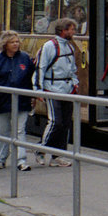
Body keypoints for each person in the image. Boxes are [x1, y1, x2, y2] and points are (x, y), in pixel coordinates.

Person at [0, 30, 35, 171]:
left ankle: (21, 160)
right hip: (2, 101)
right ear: (5, 44)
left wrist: (34, 94)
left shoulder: (25, 59)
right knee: (3, 131)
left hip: (21, 100)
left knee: (20, 130)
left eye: (17, 41)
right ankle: (0, 159)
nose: (16, 44)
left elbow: (31, 78)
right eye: (12, 42)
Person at [35, 17, 79, 167]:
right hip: (52, 89)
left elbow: (73, 68)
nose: (74, 32)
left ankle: (58, 155)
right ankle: (40, 150)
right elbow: (40, 67)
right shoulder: (49, 46)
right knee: (55, 121)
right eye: (71, 29)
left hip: (67, 89)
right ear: (63, 30)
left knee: (65, 123)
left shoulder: (70, 47)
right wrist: (39, 90)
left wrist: (75, 84)